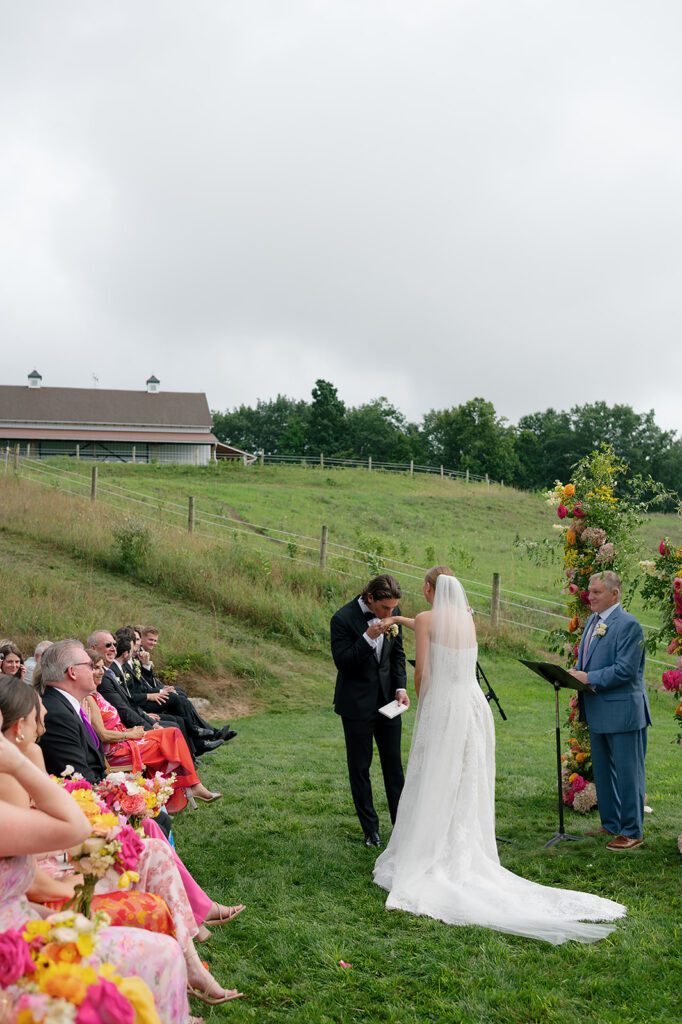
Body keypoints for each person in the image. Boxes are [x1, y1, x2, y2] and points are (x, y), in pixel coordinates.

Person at [373, 566, 626, 944]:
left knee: (435, 776)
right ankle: (462, 847)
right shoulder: (466, 619)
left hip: (444, 706)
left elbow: (422, 673)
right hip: (473, 708)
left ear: (429, 589)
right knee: (464, 778)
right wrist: (398, 618)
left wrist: (422, 708)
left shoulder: (427, 619)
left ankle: (431, 850)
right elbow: (428, 625)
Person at [569, 570, 651, 851]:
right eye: (589, 591)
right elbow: (590, 662)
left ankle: (632, 831)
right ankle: (612, 823)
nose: (589, 596)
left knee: (628, 774)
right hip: (598, 709)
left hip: (624, 712)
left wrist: (588, 678)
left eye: (596, 592)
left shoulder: (629, 625)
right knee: (603, 772)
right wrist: (575, 676)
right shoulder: (593, 621)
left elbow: (626, 671)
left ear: (614, 594)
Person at [81, 649, 222, 809]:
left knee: (172, 734)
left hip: (125, 740)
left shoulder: (95, 694)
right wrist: (130, 733)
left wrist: (131, 731)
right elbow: (103, 735)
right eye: (96, 668)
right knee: (169, 743)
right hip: (118, 751)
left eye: (101, 668)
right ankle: (182, 791)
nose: (101, 672)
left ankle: (181, 791)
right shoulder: (89, 698)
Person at [330, 574, 409, 848]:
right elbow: (344, 663)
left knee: (394, 766)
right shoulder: (342, 618)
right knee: (360, 768)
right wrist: (366, 638)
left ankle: (402, 826)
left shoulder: (394, 612)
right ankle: (370, 830)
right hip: (356, 705)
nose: (390, 613)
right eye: (385, 608)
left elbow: (397, 655)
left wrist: (400, 687)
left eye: (393, 608)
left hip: (389, 701)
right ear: (371, 598)